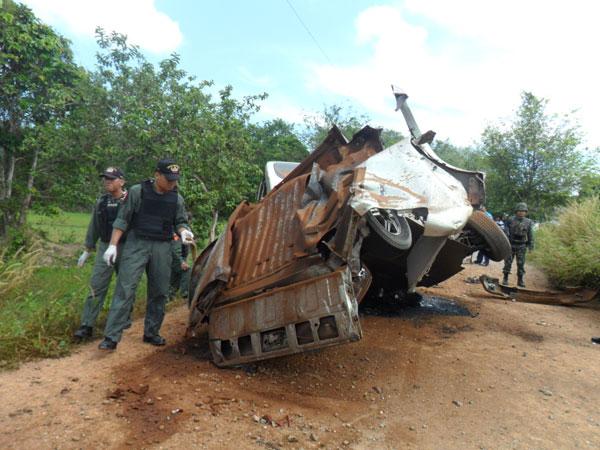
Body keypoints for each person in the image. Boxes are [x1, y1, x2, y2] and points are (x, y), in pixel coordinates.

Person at [98, 158, 193, 350]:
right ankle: (111, 337)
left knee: (159, 291)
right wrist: (112, 245)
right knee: (125, 289)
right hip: (137, 243)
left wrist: (184, 231)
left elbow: (180, 221)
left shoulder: (176, 199)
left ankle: (151, 332)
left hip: (163, 247)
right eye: (168, 179)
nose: (172, 183)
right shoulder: (137, 192)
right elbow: (122, 220)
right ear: (157, 175)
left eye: (175, 180)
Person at [73, 167, 127, 341]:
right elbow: (94, 226)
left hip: (126, 247)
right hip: (105, 246)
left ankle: (122, 320)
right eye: (106, 179)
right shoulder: (101, 202)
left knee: (125, 286)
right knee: (96, 285)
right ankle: (86, 325)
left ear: (121, 181)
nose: (108, 182)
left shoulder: (130, 200)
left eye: (112, 179)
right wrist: (87, 250)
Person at [502, 202, 534, 287]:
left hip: (521, 246)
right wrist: (506, 236)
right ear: (516, 211)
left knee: (521, 264)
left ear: (526, 212)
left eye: (523, 211)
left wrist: (531, 246)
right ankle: (505, 278)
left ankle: (520, 280)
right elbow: (505, 230)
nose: (521, 212)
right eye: (519, 211)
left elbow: (530, 234)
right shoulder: (510, 219)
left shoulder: (528, 222)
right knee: (508, 262)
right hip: (511, 244)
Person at [168, 232, 190, 301]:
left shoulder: (184, 232)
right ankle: (185, 293)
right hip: (175, 258)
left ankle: (170, 295)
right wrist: (181, 262)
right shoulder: (177, 234)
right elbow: (176, 250)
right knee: (186, 270)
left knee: (175, 277)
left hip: (176, 258)